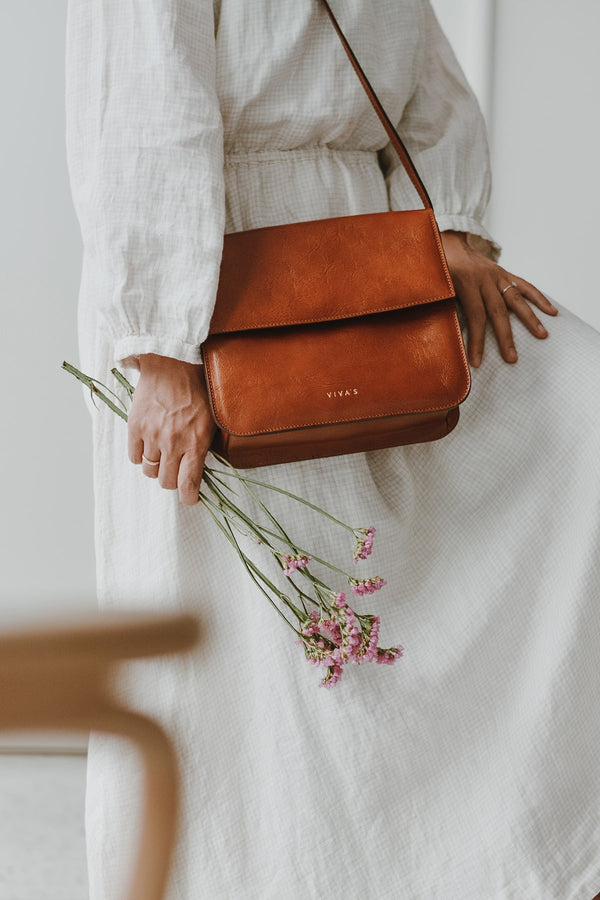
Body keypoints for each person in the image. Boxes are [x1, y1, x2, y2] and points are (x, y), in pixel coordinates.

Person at [65, 1, 600, 897]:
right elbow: (140, 92)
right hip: (215, 273)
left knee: (569, 403)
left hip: (369, 241)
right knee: (257, 646)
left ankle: (445, 856)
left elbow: (417, 61)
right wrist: (160, 347)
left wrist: (455, 228)